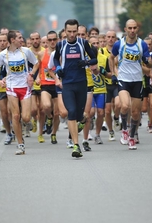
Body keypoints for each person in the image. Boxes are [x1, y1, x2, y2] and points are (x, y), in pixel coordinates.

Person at [53, 19, 98, 158]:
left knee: (80, 115)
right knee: (71, 112)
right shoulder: (61, 45)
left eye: (74, 32)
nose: (72, 34)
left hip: (81, 83)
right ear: (65, 31)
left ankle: (83, 118)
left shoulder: (83, 43)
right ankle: (76, 146)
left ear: (77, 31)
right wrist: (59, 68)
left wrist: (86, 62)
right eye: (69, 32)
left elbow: (94, 58)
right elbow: (55, 59)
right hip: (67, 84)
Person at [0, 30, 39, 155]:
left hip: (25, 87)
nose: (22, 40)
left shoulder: (26, 51)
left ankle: (26, 124)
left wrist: (31, 75)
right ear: (12, 40)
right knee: (15, 116)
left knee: (26, 118)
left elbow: (37, 63)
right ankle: (20, 144)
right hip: (11, 88)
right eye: (19, 38)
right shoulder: (3, 55)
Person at [109, 19, 151, 150]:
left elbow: (149, 65)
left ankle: (132, 138)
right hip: (123, 80)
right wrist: (114, 73)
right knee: (125, 105)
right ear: (125, 29)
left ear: (137, 29)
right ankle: (125, 130)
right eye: (130, 28)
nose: (132, 31)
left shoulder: (142, 44)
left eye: (134, 28)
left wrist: (147, 61)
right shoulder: (119, 44)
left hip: (137, 81)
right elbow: (111, 58)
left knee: (136, 112)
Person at [37, 30, 61, 144]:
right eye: (49, 40)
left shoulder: (61, 53)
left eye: (54, 39)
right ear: (47, 41)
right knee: (46, 106)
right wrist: (36, 77)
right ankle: (49, 118)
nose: (52, 42)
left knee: (58, 112)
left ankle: (54, 133)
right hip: (45, 84)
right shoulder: (42, 54)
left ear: (57, 40)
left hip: (58, 85)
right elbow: (38, 67)